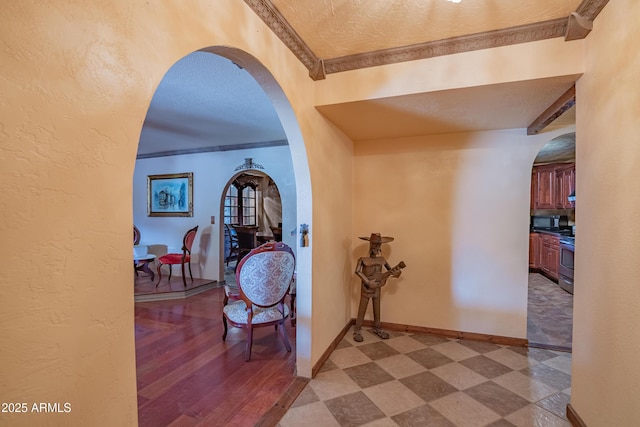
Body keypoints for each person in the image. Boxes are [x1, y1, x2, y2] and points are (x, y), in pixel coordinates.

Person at [353, 233, 406, 342]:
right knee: (362, 309)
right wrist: (368, 282)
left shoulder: (382, 260)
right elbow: (357, 271)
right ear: (370, 244)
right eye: (374, 244)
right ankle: (357, 330)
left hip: (377, 288)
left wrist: (396, 273)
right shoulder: (362, 259)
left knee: (377, 308)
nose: (376, 247)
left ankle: (377, 328)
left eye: (378, 245)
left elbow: (390, 270)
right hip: (367, 288)